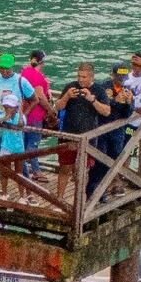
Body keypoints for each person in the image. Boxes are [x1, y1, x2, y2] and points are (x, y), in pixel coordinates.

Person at [53, 63, 111, 195]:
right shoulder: (70, 87)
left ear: (91, 77)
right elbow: (58, 107)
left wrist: (92, 100)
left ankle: (80, 200)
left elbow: (107, 112)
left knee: (83, 170)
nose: (80, 79)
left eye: (84, 77)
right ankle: (60, 198)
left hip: (88, 138)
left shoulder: (99, 90)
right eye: (79, 76)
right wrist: (67, 96)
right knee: (64, 168)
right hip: (68, 135)